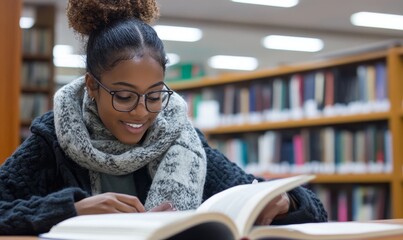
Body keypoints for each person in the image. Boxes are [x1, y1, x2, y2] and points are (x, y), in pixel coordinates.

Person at [0, 0, 327, 235]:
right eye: (124, 96)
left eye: (154, 95)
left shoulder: (181, 139)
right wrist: (70, 210)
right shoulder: (55, 140)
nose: (141, 112)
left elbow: (313, 211)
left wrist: (286, 202)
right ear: (92, 86)